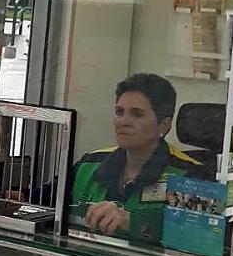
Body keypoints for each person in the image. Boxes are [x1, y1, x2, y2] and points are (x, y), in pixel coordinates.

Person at [70, 73, 203, 244]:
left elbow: (198, 239)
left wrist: (133, 223)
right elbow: (47, 201)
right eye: (119, 112)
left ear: (164, 125)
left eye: (137, 114)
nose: (124, 122)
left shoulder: (191, 175)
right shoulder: (89, 163)